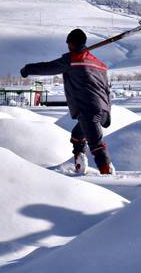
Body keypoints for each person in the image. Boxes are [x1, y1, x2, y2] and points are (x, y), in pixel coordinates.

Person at [20, 29, 114, 175]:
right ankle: (80, 164)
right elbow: (106, 89)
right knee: (77, 136)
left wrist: (28, 69)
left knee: (96, 145)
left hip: (88, 109)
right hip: (103, 108)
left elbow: (48, 67)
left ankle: (108, 175)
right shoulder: (99, 64)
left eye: (68, 44)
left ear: (70, 43)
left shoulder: (72, 60)